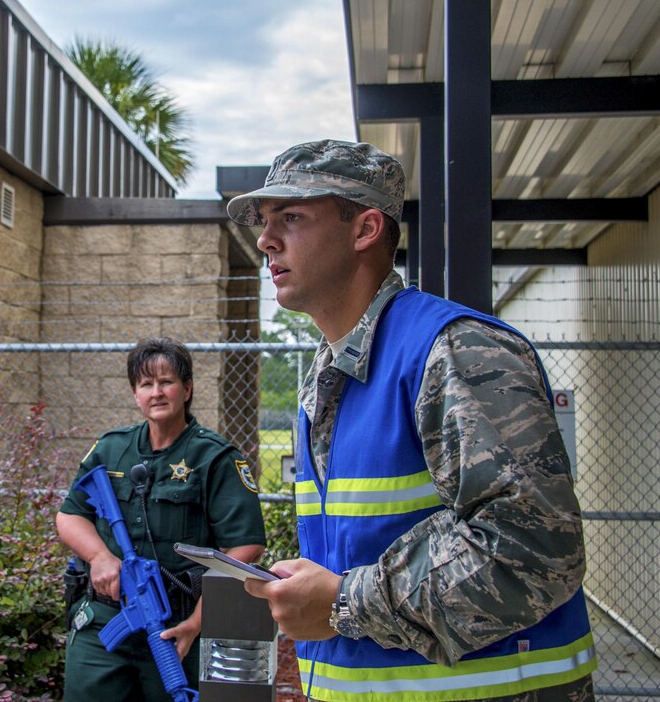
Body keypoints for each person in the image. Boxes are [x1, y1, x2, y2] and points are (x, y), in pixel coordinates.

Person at [231, 140, 596, 701]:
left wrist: (343, 604)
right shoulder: (331, 378)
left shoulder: (454, 351)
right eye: (264, 221)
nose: (265, 239)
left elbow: (533, 547)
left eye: (293, 217)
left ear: (366, 229)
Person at [56, 337, 266, 701]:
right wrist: (100, 557)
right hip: (104, 621)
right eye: (145, 384)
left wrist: (196, 623)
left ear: (187, 389)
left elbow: (246, 545)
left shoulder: (213, 458)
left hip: (177, 625)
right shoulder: (110, 449)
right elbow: (70, 516)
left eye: (166, 382)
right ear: (135, 394)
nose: (156, 392)